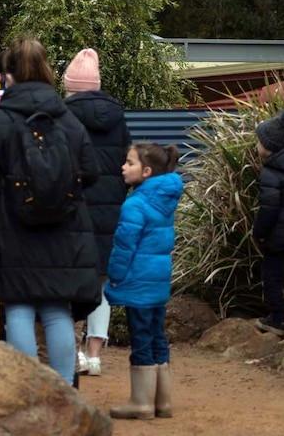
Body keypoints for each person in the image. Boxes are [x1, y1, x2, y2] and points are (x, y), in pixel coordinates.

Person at [0, 37, 101, 384]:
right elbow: (92, 172)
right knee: (57, 310)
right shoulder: (67, 118)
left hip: (11, 227)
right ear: (47, 71)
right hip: (64, 228)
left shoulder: (1, 119)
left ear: (8, 74)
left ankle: (28, 390)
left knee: (19, 307)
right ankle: (64, 393)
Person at [63, 48, 132, 376]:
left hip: (75, 208)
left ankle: (74, 351)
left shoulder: (62, 115)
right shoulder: (117, 116)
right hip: (111, 208)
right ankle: (94, 355)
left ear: (70, 85)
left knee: (72, 281)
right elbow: (126, 161)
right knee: (102, 282)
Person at [107, 143, 182, 420]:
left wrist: (115, 277)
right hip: (157, 281)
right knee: (156, 336)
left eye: (130, 163)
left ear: (147, 171)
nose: (123, 168)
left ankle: (141, 402)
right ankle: (162, 401)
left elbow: (124, 246)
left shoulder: (136, 203)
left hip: (137, 281)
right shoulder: (164, 201)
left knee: (140, 338)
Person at [253, 112, 284, 337]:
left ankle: (278, 320)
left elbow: (269, 208)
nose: (256, 144)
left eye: (259, 140)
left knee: (272, 277)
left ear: (270, 145)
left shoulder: (272, 171)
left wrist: (260, 233)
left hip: (278, 239)